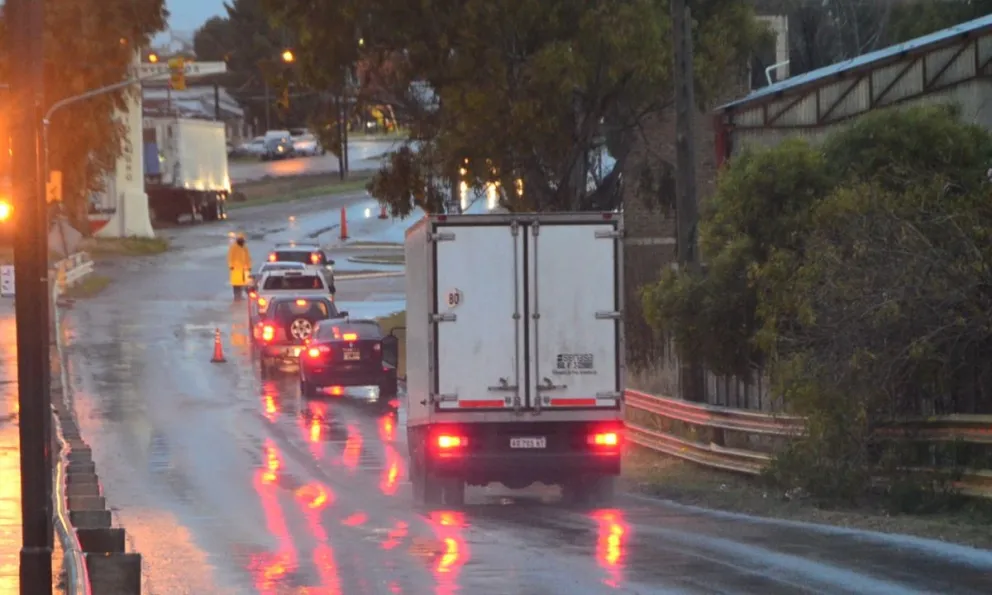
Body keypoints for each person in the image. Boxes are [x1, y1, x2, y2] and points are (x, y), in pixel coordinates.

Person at [228, 232, 252, 299]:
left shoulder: (245, 248)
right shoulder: (233, 247)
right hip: (236, 269)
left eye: (242, 239)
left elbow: (248, 258)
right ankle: (236, 297)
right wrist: (231, 266)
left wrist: (249, 267)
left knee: (245, 284)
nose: (241, 241)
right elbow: (230, 257)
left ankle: (241, 297)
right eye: (240, 239)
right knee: (236, 285)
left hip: (244, 270)